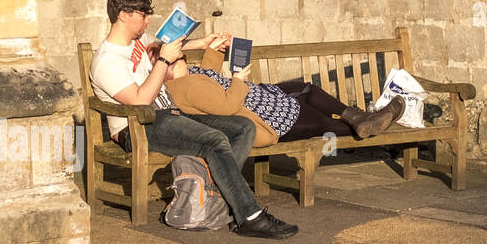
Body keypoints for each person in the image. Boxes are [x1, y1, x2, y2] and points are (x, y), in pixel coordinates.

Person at [88, 0, 297, 239]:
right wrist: (164, 61)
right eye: (143, 15)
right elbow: (139, 104)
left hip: (168, 115)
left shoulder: (136, 41)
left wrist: (204, 43)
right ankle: (250, 216)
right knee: (215, 141)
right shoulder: (107, 61)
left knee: (243, 127)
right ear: (123, 15)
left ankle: (219, 203)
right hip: (137, 128)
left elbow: (160, 45)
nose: (147, 20)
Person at [162, 35, 405, 145]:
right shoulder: (185, 86)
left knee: (306, 93)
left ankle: (363, 120)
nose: (181, 55)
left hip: (259, 101)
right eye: (178, 56)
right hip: (263, 116)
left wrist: (214, 50)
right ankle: (365, 122)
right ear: (168, 70)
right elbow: (224, 106)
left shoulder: (190, 77)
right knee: (317, 115)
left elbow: (210, 82)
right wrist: (237, 79)